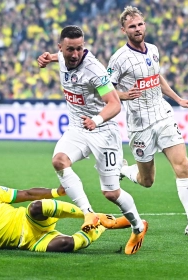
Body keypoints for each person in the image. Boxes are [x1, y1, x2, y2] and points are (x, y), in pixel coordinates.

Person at [37, 25, 148, 255]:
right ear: (61, 47)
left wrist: (96, 120)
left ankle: (138, 226)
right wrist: (49, 58)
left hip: (103, 131)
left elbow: (115, 103)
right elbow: (59, 57)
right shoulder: (61, 57)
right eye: (70, 50)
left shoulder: (95, 70)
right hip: (77, 129)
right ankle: (88, 212)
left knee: (111, 193)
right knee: (59, 161)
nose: (75, 54)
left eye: (79, 49)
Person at [107, 6, 188, 240]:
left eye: (140, 24)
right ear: (124, 30)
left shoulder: (153, 49)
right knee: (147, 181)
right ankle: (123, 169)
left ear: (145, 25)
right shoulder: (119, 59)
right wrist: (123, 95)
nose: (137, 29)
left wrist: (178, 99)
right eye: (132, 26)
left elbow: (156, 76)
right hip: (139, 124)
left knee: (183, 165)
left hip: (163, 115)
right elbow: (105, 87)